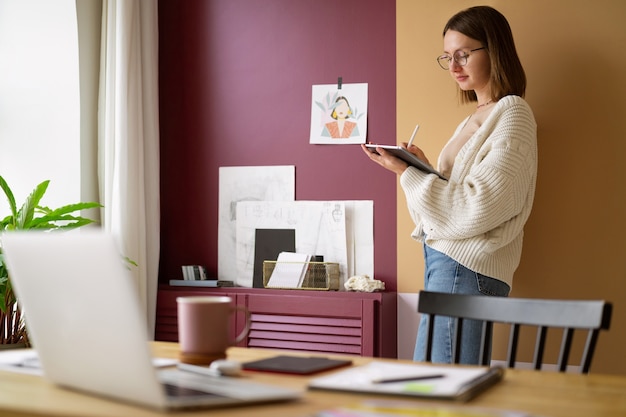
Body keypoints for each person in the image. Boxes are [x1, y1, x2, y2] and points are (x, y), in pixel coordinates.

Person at [361, 6, 537, 365]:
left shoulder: (513, 112)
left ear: (495, 49)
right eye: (447, 57)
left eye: (463, 54)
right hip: (449, 264)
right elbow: (452, 203)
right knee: (436, 380)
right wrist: (423, 168)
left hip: (465, 267)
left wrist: (408, 173)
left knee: (441, 382)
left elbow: (480, 207)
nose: (454, 66)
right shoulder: (476, 117)